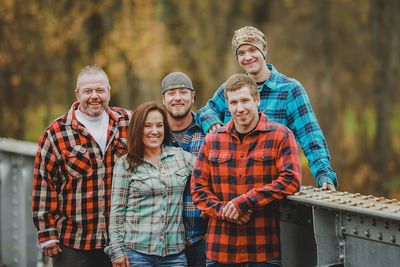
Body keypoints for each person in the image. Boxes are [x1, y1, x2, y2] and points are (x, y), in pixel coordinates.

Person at [197, 26, 337, 190]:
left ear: (263, 50)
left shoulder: (289, 89)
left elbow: (311, 137)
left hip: (272, 189)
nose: (247, 57)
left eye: (252, 50)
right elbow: (206, 111)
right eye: (241, 53)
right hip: (233, 189)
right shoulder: (230, 88)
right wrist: (213, 122)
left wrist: (324, 174)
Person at [191, 73, 301, 266]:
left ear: (257, 100)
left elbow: (290, 180)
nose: (239, 108)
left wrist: (245, 201)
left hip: (263, 252)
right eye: (233, 103)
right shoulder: (212, 140)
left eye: (245, 100)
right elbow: (198, 189)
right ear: (227, 105)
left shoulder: (280, 136)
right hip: (220, 252)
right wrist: (225, 210)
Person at [32, 65, 131, 267]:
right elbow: (44, 185)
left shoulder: (129, 122)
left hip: (122, 239)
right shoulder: (55, 133)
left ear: (109, 92)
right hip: (74, 241)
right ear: (78, 94)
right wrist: (47, 233)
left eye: (100, 90)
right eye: (88, 91)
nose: (94, 96)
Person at [106, 102, 195, 267]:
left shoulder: (182, 157)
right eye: (147, 126)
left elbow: (212, 173)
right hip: (136, 254)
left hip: (174, 255)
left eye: (159, 125)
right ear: (138, 129)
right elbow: (117, 211)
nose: (154, 131)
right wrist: (117, 251)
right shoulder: (125, 163)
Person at [161, 72, 207, 267]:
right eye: (171, 93)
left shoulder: (209, 132)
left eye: (183, 92)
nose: (177, 97)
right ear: (163, 99)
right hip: (164, 242)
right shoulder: (154, 134)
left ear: (193, 96)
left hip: (203, 236)